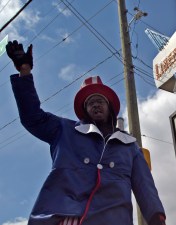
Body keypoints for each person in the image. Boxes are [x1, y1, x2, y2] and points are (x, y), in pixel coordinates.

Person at [6, 40, 166, 225]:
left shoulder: (130, 147)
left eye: (100, 100)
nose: (96, 104)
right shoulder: (64, 130)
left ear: (110, 108)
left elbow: (146, 189)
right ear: (85, 110)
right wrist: (25, 72)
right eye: (90, 102)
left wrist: (157, 220)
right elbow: (32, 118)